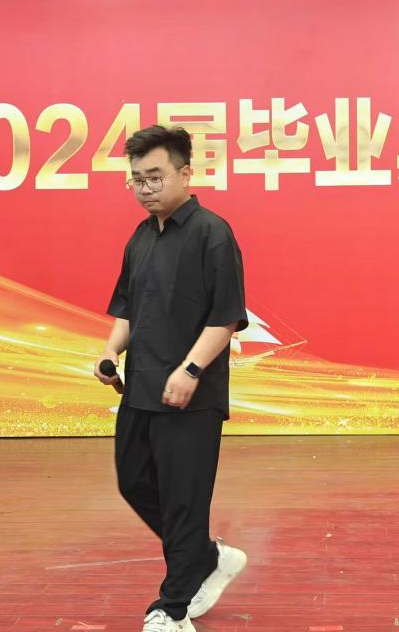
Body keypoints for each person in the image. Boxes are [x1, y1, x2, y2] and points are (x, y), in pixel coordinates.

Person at [94, 125, 249, 632]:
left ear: (185, 174)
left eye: (155, 177)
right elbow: (127, 308)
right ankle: (207, 557)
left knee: (184, 501)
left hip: (191, 396)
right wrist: (110, 351)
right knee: (133, 481)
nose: (145, 188)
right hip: (139, 386)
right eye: (137, 179)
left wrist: (191, 369)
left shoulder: (212, 233)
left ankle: (172, 609)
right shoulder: (140, 237)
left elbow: (225, 317)